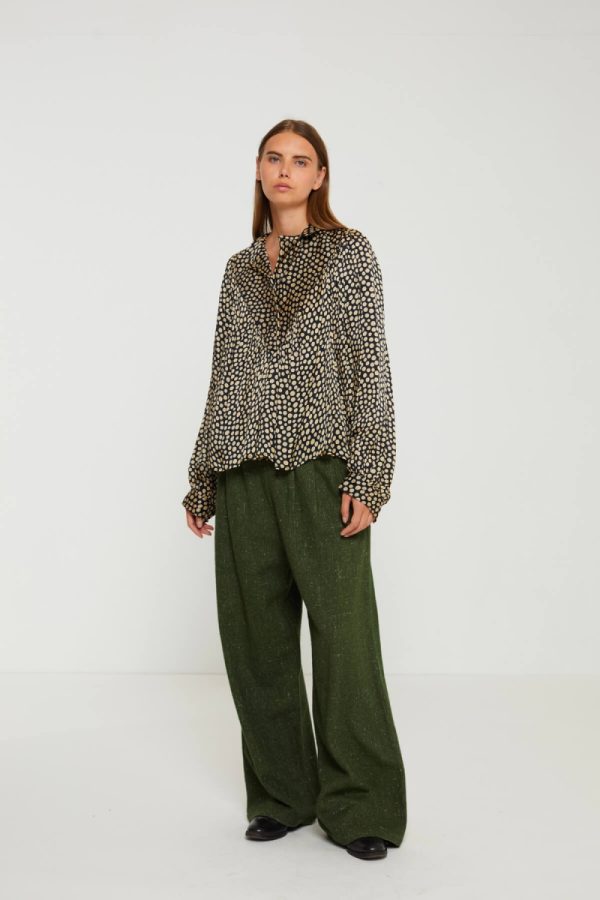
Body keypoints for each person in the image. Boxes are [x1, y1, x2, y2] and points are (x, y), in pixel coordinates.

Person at [182, 119, 407, 861]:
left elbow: (370, 366)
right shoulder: (238, 269)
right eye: (274, 158)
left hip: (319, 466)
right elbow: (223, 373)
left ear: (319, 176)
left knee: (345, 639)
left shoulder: (349, 254)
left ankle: (363, 806)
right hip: (241, 468)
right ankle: (282, 795)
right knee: (257, 643)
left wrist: (370, 475)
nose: (286, 170)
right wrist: (202, 479)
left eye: (300, 160)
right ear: (258, 170)